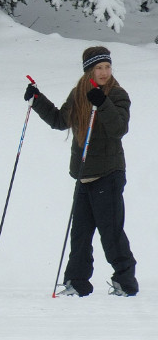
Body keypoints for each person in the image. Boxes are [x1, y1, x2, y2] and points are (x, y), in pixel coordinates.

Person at [26, 46, 138, 297]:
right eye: (99, 67)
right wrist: (37, 100)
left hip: (108, 174)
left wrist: (103, 103)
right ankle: (77, 283)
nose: (104, 72)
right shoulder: (79, 94)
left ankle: (126, 281)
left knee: (110, 232)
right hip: (84, 176)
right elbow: (60, 121)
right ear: (89, 70)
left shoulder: (117, 94)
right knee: (80, 234)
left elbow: (119, 128)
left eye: (107, 67)